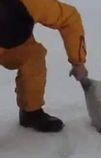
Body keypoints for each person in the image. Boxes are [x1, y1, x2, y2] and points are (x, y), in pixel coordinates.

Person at [0, 0, 88, 132]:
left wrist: (78, 61)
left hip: (18, 45)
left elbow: (69, 18)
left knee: (34, 57)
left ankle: (31, 113)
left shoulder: (33, 3)